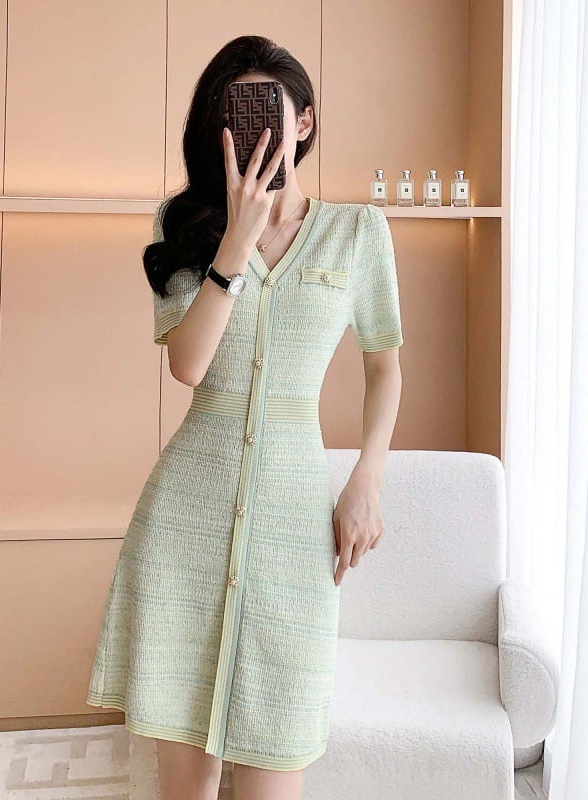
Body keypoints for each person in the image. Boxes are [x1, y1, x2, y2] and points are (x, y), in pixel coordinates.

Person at [86, 34, 404, 800]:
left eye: (268, 110)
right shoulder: (187, 226)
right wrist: (234, 241)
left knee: (274, 773)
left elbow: (384, 365)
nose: (251, 130)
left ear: (304, 121)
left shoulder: (357, 233)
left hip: (296, 531)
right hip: (184, 527)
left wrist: (367, 479)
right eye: (233, 115)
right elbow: (188, 366)